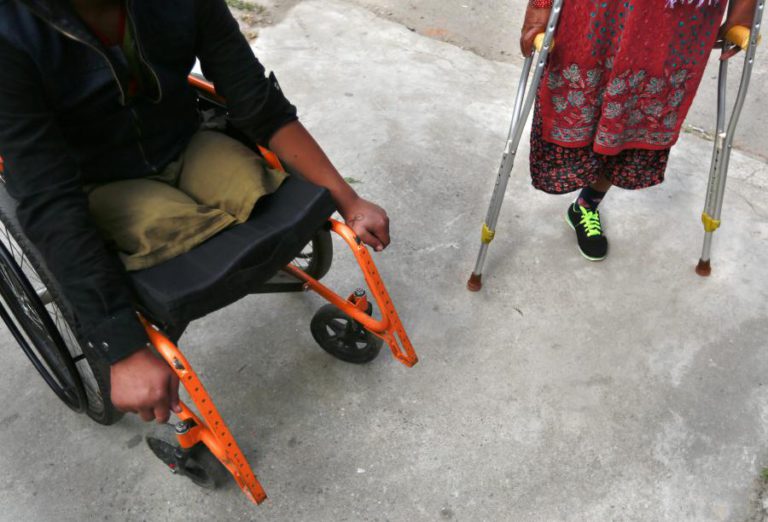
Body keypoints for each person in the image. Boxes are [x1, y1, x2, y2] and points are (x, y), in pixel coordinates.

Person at [0, 0, 390, 423]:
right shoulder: (10, 36)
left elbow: (255, 97)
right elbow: (49, 198)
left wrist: (349, 200)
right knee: (166, 229)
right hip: (95, 179)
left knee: (256, 187)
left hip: (184, 138)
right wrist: (122, 348)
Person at [520, 0, 756, 261]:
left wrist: (741, 16)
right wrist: (539, 12)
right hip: (600, 12)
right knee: (581, 96)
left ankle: (586, 205)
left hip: (673, 18)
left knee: (633, 118)